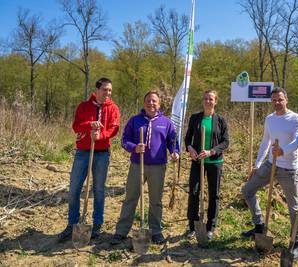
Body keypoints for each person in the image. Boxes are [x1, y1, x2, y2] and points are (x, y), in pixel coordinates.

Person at [241, 88, 298, 260]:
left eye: (280, 99)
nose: (277, 102)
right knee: (247, 190)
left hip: (288, 168)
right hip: (270, 165)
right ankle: (259, 226)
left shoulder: (295, 118)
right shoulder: (270, 119)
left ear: (286, 100)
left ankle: (296, 241)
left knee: (293, 206)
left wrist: (283, 151)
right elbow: (265, 143)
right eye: (274, 100)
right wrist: (257, 164)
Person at [111, 90, 179, 245]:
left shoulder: (167, 123)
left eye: (154, 101)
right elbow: (124, 140)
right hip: (137, 165)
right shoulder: (135, 121)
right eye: (148, 100)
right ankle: (121, 231)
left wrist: (175, 152)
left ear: (159, 104)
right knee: (131, 198)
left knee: (156, 200)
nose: (151, 103)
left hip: (158, 167)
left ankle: (156, 231)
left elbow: (173, 143)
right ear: (144, 103)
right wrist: (134, 147)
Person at [58, 77, 120, 241]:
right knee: (74, 190)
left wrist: (101, 135)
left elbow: (114, 129)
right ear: (97, 90)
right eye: (105, 89)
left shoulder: (113, 108)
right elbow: (76, 126)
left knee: (99, 190)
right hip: (83, 152)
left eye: (110, 90)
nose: (108, 93)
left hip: (102, 153)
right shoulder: (84, 106)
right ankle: (72, 224)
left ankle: (97, 224)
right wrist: (90, 125)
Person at [185, 90, 229, 240]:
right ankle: (193, 225)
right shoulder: (195, 118)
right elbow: (187, 139)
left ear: (215, 101)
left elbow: (225, 142)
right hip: (198, 161)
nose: (208, 101)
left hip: (214, 162)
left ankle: (210, 226)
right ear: (203, 101)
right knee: (194, 192)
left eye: (211, 99)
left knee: (213, 194)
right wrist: (189, 148)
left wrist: (211, 151)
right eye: (206, 99)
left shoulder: (220, 120)